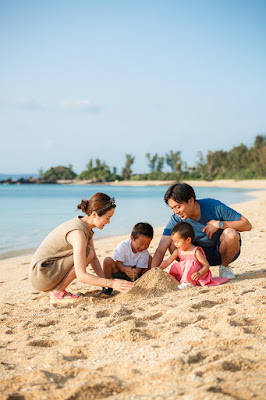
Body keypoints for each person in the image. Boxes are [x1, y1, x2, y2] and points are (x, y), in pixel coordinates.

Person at [29, 193, 134, 303]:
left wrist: (105, 284)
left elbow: (93, 259)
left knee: (89, 253)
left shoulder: (85, 227)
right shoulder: (78, 233)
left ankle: (58, 290)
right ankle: (58, 292)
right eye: (107, 218)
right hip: (41, 274)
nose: (109, 222)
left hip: (45, 272)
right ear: (94, 214)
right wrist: (112, 283)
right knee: (88, 253)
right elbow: (81, 275)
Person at [152, 182, 252, 279]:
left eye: (178, 207)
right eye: (172, 208)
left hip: (222, 252)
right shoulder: (176, 219)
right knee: (173, 243)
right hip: (197, 256)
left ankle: (224, 268)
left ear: (191, 201)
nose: (176, 211)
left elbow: (247, 225)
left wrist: (219, 224)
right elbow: (161, 249)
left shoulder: (214, 206)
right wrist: (152, 274)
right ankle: (190, 270)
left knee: (231, 233)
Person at [159, 221, 228, 289]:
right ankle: (178, 281)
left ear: (188, 240)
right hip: (185, 274)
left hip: (196, 276)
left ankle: (188, 283)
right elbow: (168, 261)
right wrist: (159, 268)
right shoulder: (178, 251)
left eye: (178, 242)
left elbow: (206, 265)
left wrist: (199, 273)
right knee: (175, 265)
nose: (175, 244)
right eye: (174, 241)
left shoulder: (195, 251)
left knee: (189, 263)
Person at [101, 222, 153, 297]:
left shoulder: (145, 252)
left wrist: (135, 272)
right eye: (141, 244)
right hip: (120, 271)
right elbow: (118, 264)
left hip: (134, 276)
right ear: (132, 238)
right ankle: (107, 288)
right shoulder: (123, 246)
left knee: (150, 258)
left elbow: (139, 269)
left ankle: (142, 284)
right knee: (107, 260)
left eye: (147, 245)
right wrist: (125, 269)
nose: (143, 247)